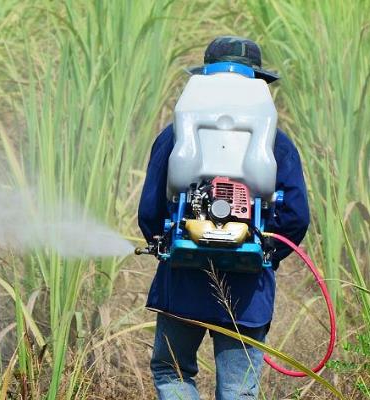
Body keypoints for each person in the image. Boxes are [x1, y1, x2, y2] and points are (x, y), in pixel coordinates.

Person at [138, 36, 310, 400]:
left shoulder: (174, 135)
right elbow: (296, 217)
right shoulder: (277, 143)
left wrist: (170, 245)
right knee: (238, 392)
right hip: (248, 294)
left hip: (181, 284)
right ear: (258, 84)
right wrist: (261, 252)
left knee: (173, 372)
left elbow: (150, 212)